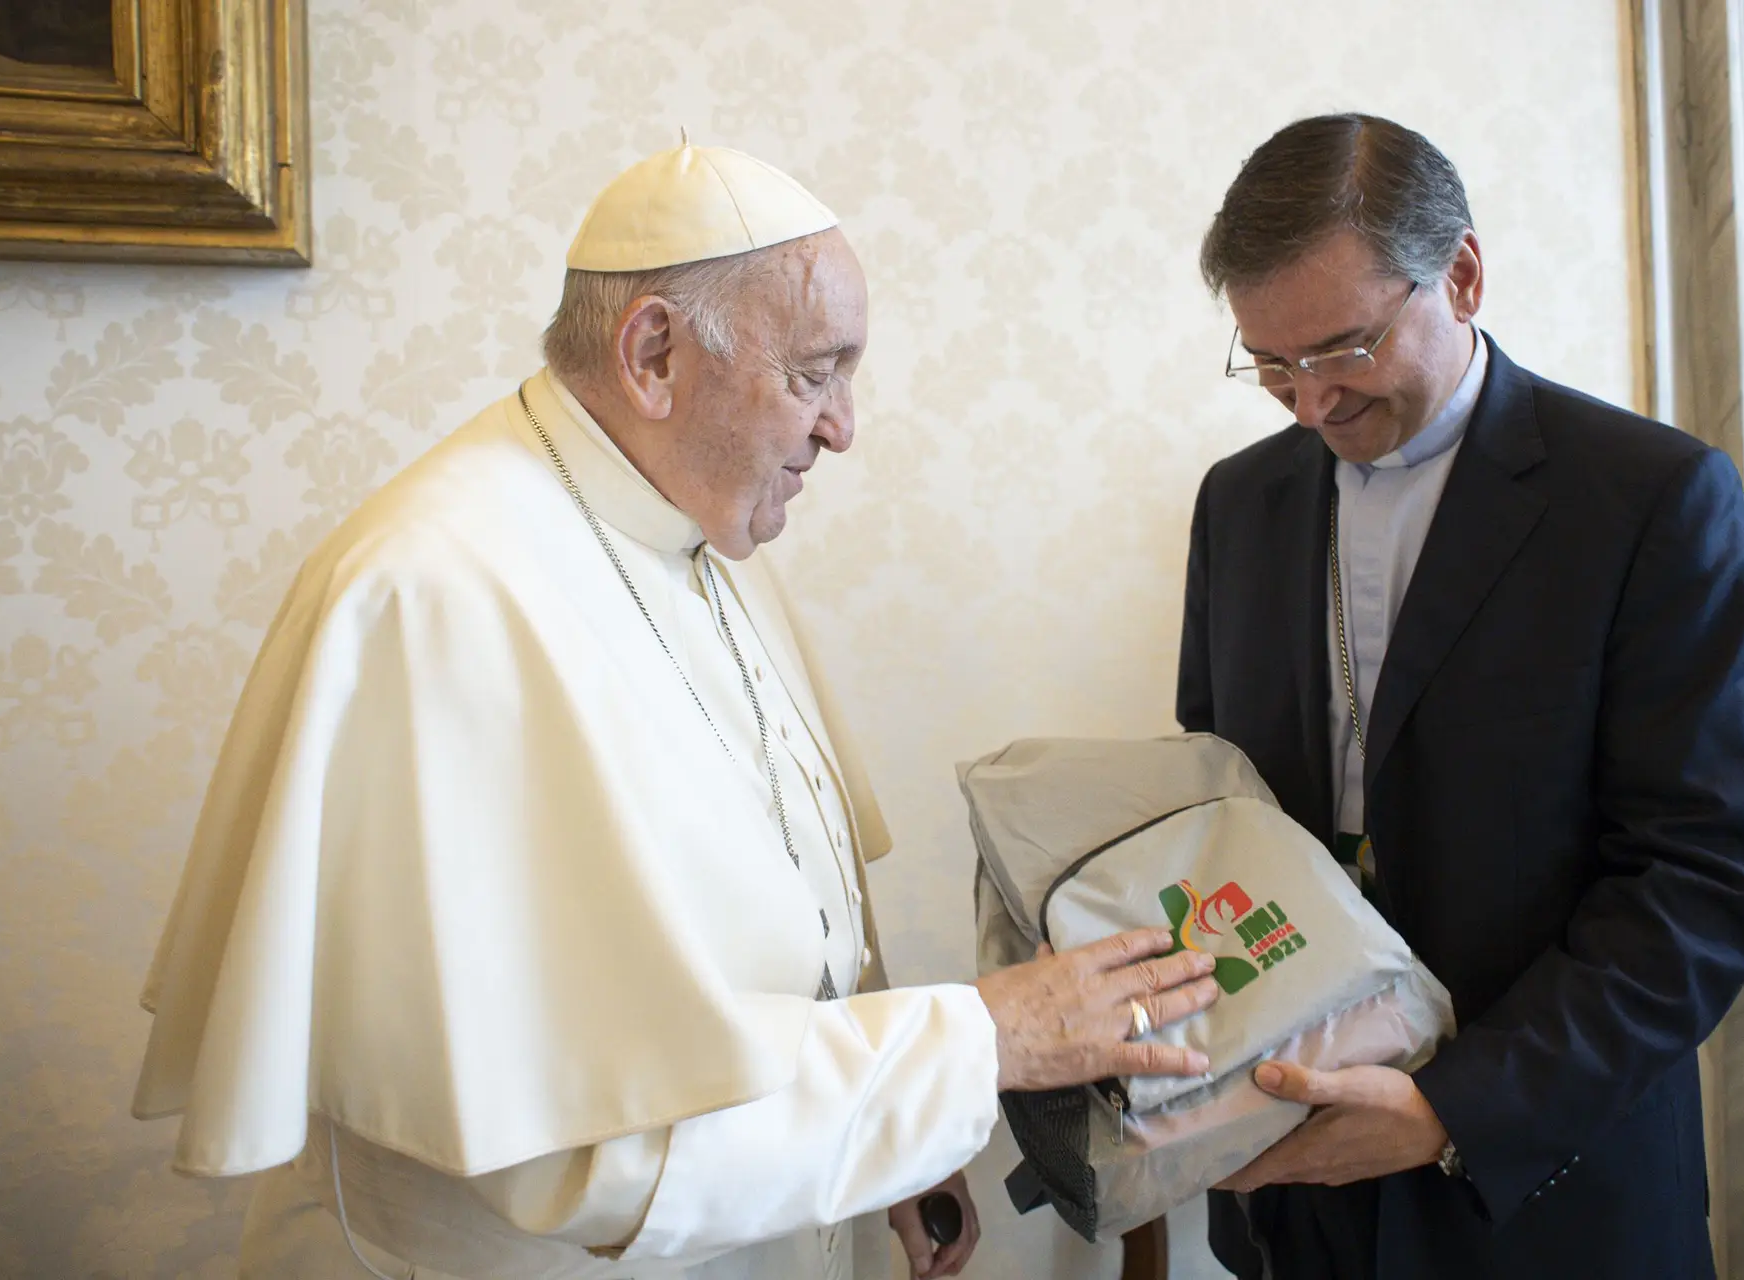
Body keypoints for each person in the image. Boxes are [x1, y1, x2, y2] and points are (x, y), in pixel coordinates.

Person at [131, 141, 1221, 1280]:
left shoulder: (694, 516)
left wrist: (893, 1146)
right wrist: (976, 1045)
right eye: (815, 372)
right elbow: (577, 1142)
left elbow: (803, 899)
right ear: (653, 352)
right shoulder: (434, 594)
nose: (844, 426)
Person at [1176, 114, 1744, 1280]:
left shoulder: (1650, 497)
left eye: (1342, 350)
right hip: (1292, 1185)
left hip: (1549, 1183)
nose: (1309, 406)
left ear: (1459, 275)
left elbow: (1709, 875)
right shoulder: (1237, 504)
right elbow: (1217, 803)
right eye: (1269, 364)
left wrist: (1455, 1106)